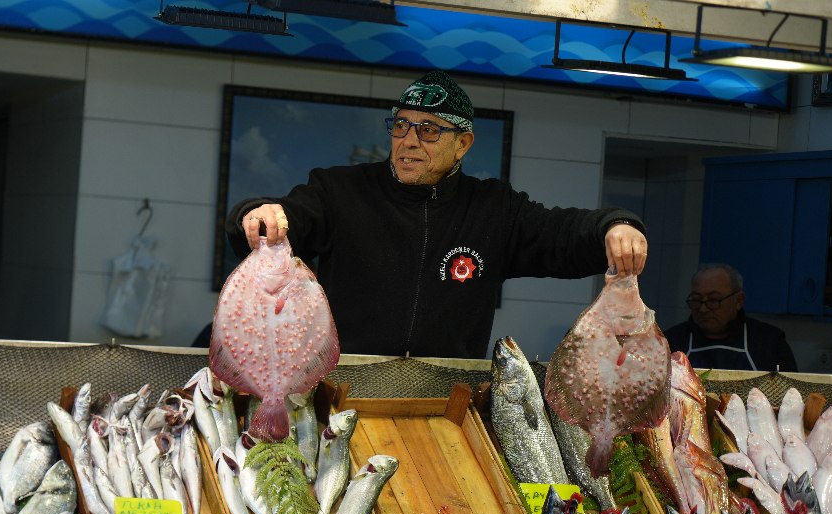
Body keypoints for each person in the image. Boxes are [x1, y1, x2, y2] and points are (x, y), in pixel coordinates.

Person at [225, 70, 648, 359]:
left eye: (428, 130)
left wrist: (615, 226)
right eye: (401, 126)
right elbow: (290, 218)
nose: (408, 141)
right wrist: (258, 214)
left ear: (462, 144)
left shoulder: (494, 207)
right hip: (342, 385)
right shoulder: (339, 189)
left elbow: (562, 235)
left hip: (449, 400)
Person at [663, 263, 798, 372]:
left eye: (713, 300)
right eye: (697, 300)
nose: (703, 309)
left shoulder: (770, 342)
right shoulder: (670, 341)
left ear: (739, 300)